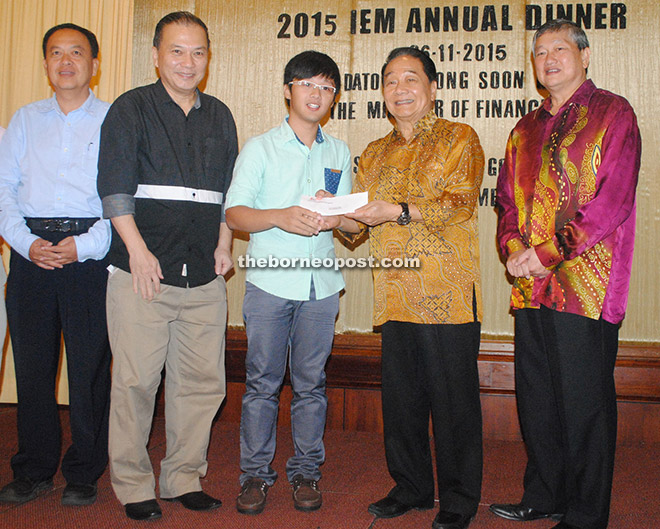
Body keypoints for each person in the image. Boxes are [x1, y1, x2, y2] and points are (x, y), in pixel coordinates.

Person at [490, 19, 641, 529]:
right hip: (531, 288)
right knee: (537, 399)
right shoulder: (523, 129)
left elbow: (612, 202)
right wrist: (513, 248)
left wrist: (547, 251)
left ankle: (584, 514)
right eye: (540, 51)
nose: (549, 58)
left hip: (586, 286)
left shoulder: (613, 113)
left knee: (584, 404)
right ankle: (545, 495)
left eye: (560, 48)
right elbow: (506, 203)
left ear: (585, 54)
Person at [331, 47, 484, 529]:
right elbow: (356, 230)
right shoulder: (374, 152)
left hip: (447, 293)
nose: (400, 89)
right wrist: (333, 212)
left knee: (454, 404)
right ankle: (413, 487)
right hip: (394, 295)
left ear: (432, 87)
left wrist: (395, 209)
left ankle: (459, 498)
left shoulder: (460, 137)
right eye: (391, 80)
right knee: (403, 403)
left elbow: (459, 203)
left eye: (410, 79)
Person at [97, 11, 237, 521]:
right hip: (142, 274)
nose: (187, 62)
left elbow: (228, 195)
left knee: (202, 384)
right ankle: (133, 484)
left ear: (208, 57)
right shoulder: (130, 108)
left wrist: (225, 245)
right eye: (176, 51)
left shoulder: (220, 114)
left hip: (204, 274)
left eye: (198, 51)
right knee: (135, 383)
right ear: (156, 54)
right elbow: (114, 189)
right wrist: (136, 250)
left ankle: (182, 478)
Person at [225, 50, 351, 515]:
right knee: (261, 384)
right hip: (270, 285)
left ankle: (305, 472)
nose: (316, 94)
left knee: (312, 384)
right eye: (307, 85)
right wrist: (281, 216)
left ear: (334, 97)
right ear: (288, 89)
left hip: (322, 287)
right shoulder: (260, 147)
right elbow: (234, 213)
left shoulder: (339, 152)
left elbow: (353, 228)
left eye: (326, 88)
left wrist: (339, 212)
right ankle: (255, 476)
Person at [0, 24, 111, 507]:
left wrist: (84, 246)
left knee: (90, 367)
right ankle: (34, 468)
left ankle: (85, 469)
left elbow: (123, 200)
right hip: (31, 255)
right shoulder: (23, 120)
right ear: (45, 63)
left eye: (77, 53)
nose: (66, 62)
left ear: (95, 63)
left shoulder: (115, 119)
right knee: (32, 366)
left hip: (89, 252)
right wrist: (26, 244)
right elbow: (3, 192)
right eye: (56, 53)